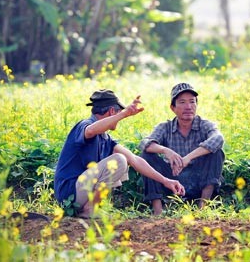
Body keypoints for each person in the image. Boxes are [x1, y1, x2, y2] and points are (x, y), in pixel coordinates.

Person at [54, 89, 185, 218]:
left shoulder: (106, 139)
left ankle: (90, 207)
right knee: (119, 160)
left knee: (123, 161)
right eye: (118, 112)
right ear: (112, 111)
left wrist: (165, 180)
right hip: (69, 193)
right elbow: (90, 131)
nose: (120, 117)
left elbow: (135, 160)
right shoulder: (85, 124)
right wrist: (124, 114)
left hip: (79, 192)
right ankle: (90, 209)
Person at [139, 83, 225, 215]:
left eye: (192, 102)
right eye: (182, 102)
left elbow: (218, 138)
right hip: (172, 179)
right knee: (146, 156)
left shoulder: (205, 125)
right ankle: (158, 211)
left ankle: (203, 207)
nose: (188, 107)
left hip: (198, 179)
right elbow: (144, 143)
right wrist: (166, 151)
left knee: (216, 153)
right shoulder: (165, 127)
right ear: (173, 108)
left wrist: (187, 158)